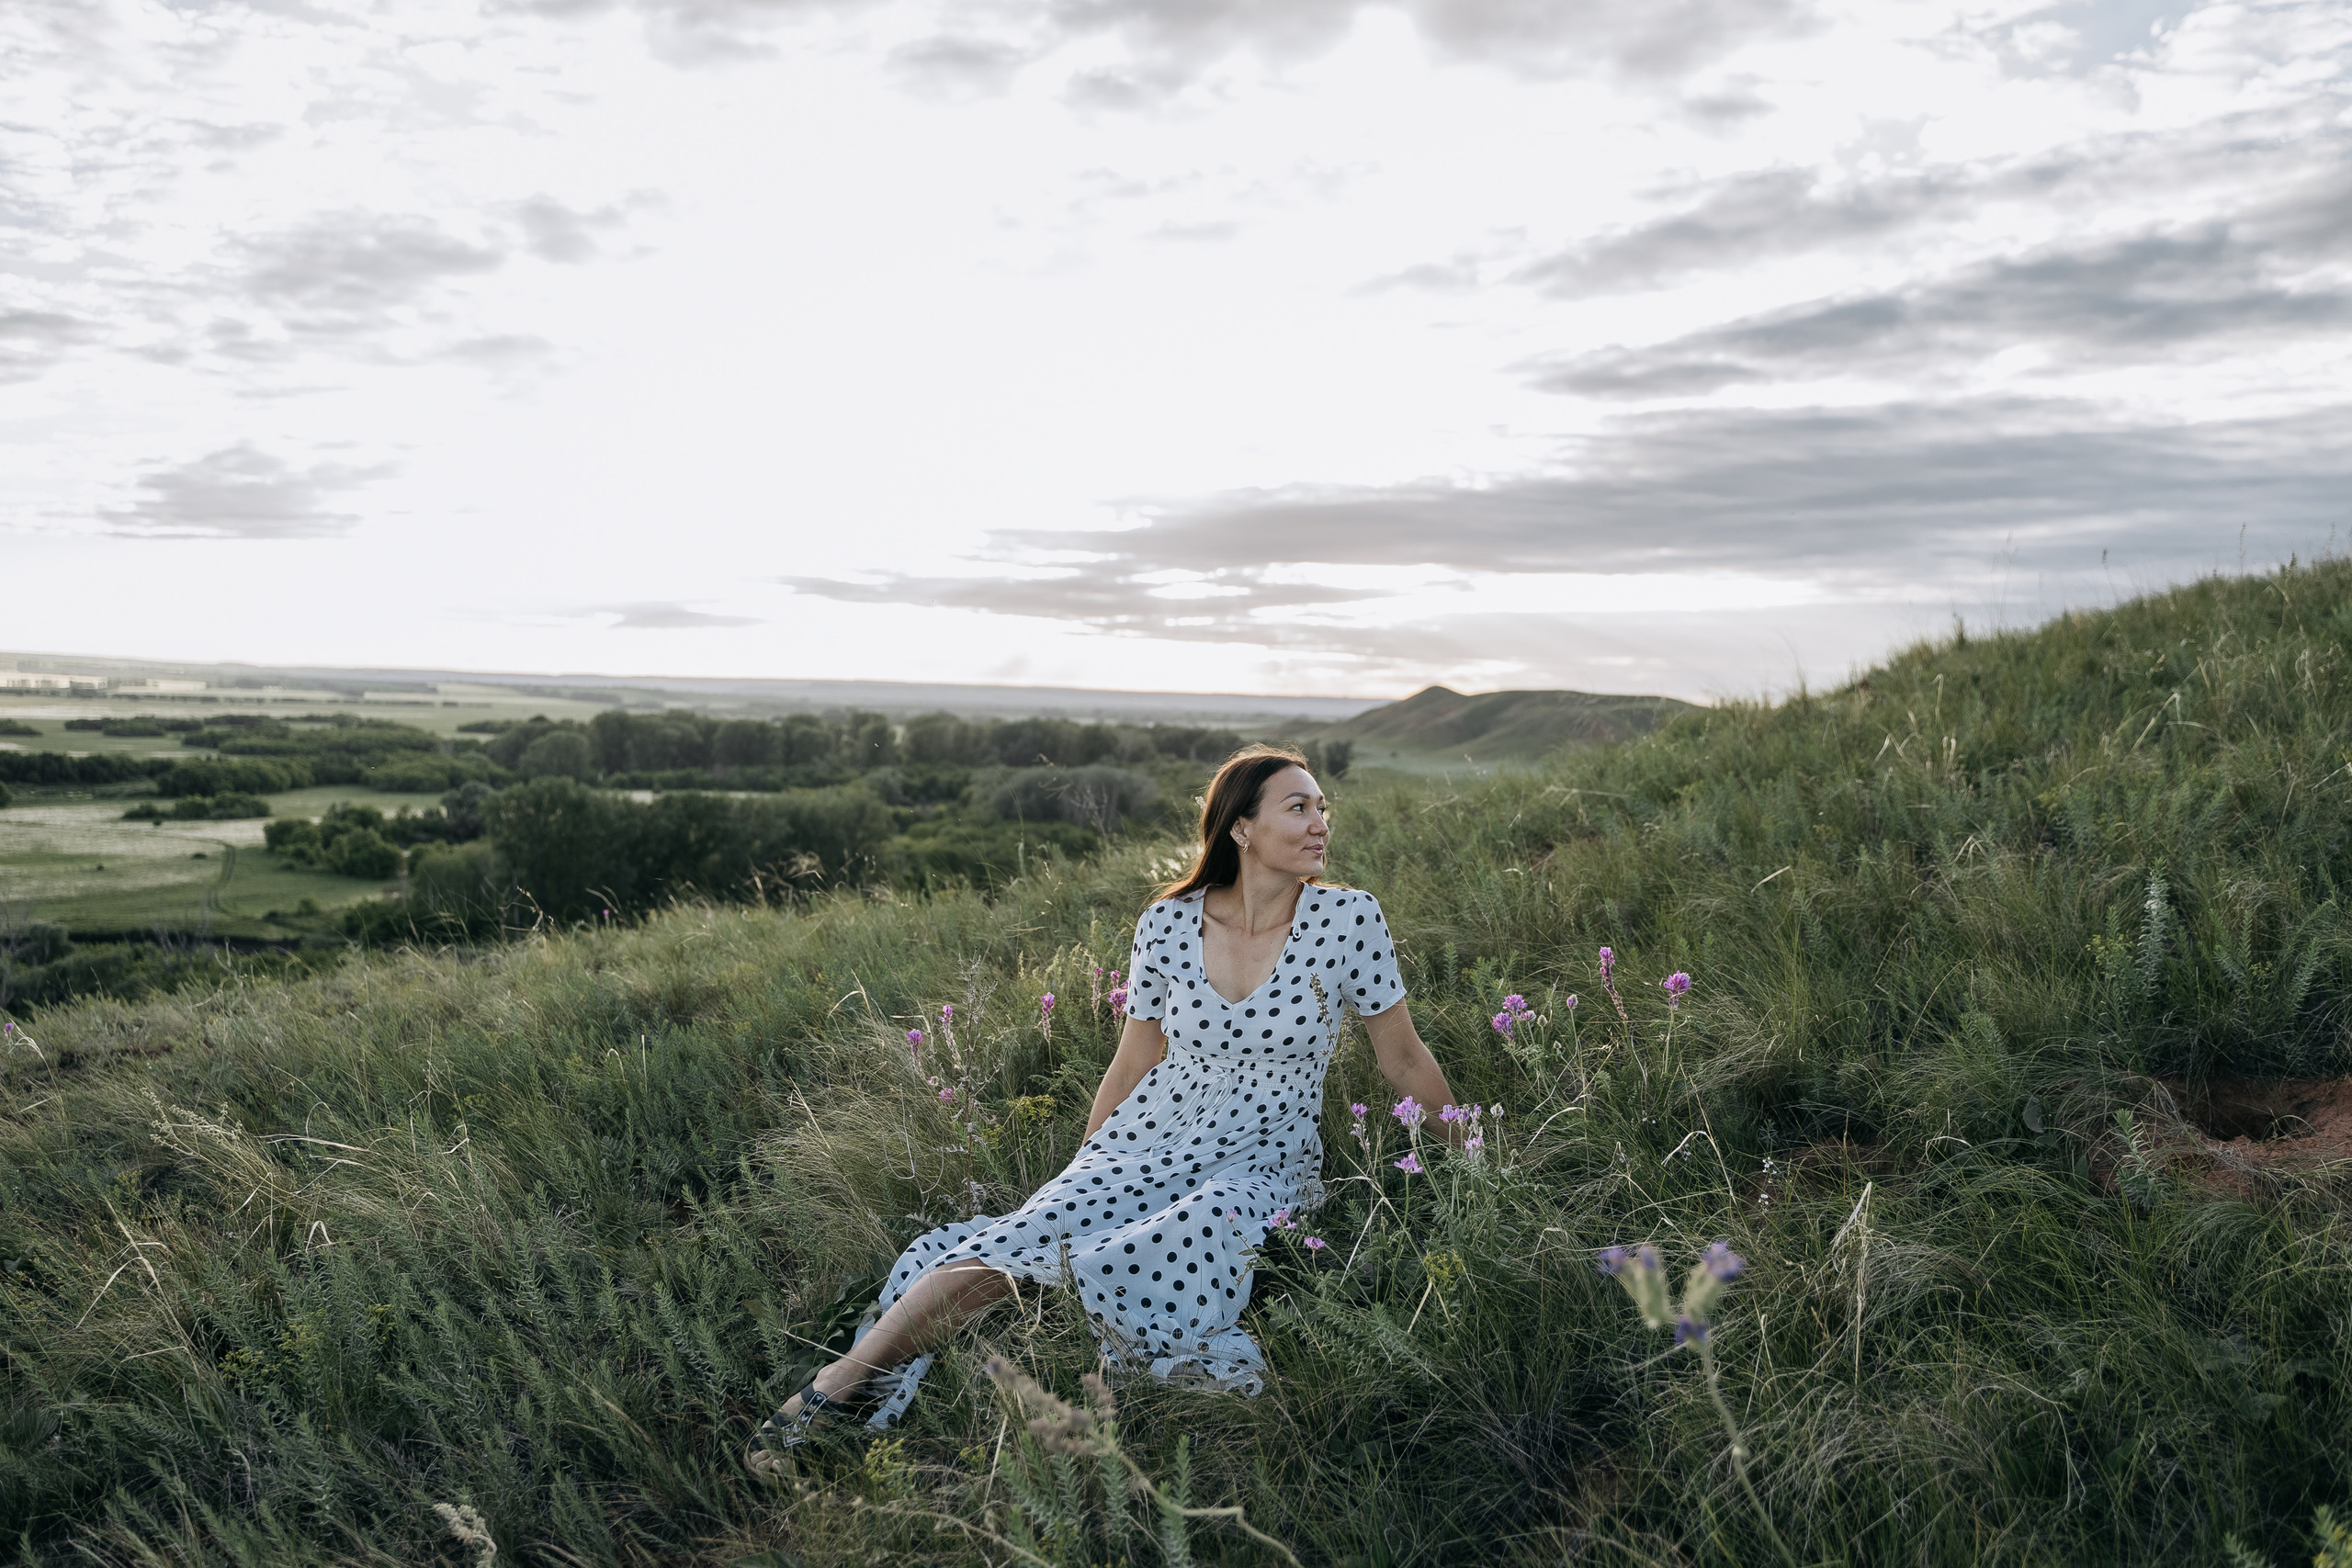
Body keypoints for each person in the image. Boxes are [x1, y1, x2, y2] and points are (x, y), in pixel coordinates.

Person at [749, 743, 1461, 1472]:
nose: (1320, 823)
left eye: (1322, 808)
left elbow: (1401, 1056)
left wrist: (1469, 1156)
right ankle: (843, 1380)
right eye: (1299, 806)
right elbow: (1132, 1059)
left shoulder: (1349, 919)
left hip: (1262, 1152)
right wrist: (1086, 1167)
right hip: (1149, 1133)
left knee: (1189, 1225)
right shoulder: (1167, 922)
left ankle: (975, 1334)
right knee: (1020, 1235)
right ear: (1241, 828)